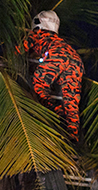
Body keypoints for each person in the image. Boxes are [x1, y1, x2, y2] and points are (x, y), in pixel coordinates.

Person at [21, 10, 84, 140]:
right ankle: (73, 135)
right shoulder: (59, 39)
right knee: (71, 100)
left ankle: (55, 112)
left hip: (57, 56)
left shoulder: (38, 33)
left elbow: (21, 48)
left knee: (39, 84)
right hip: (76, 60)